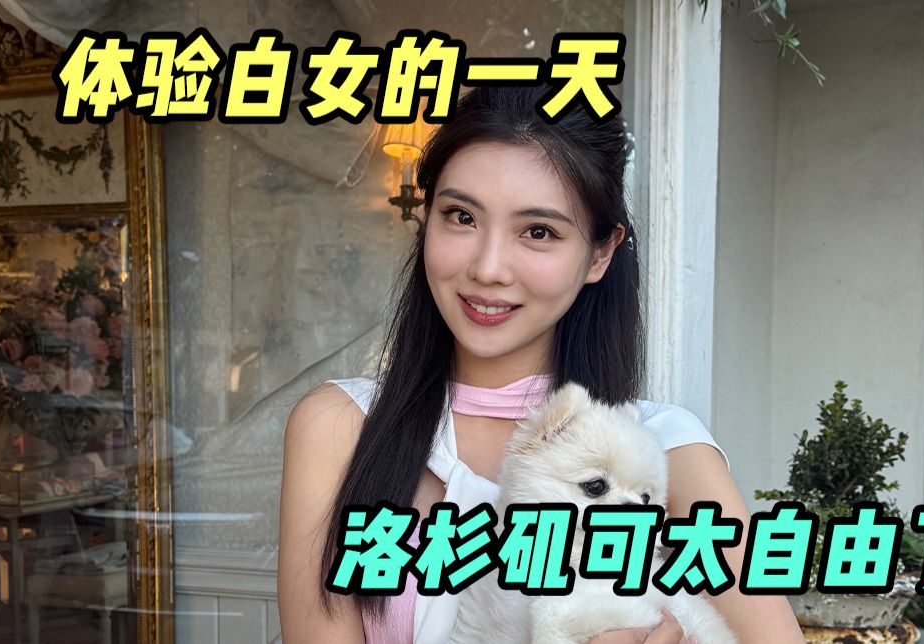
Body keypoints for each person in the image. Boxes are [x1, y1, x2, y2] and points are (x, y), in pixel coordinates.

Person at [278, 85, 804, 643]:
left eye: (538, 231)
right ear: (426, 217)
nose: (488, 268)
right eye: (461, 216)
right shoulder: (342, 425)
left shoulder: (665, 448)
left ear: (600, 253)